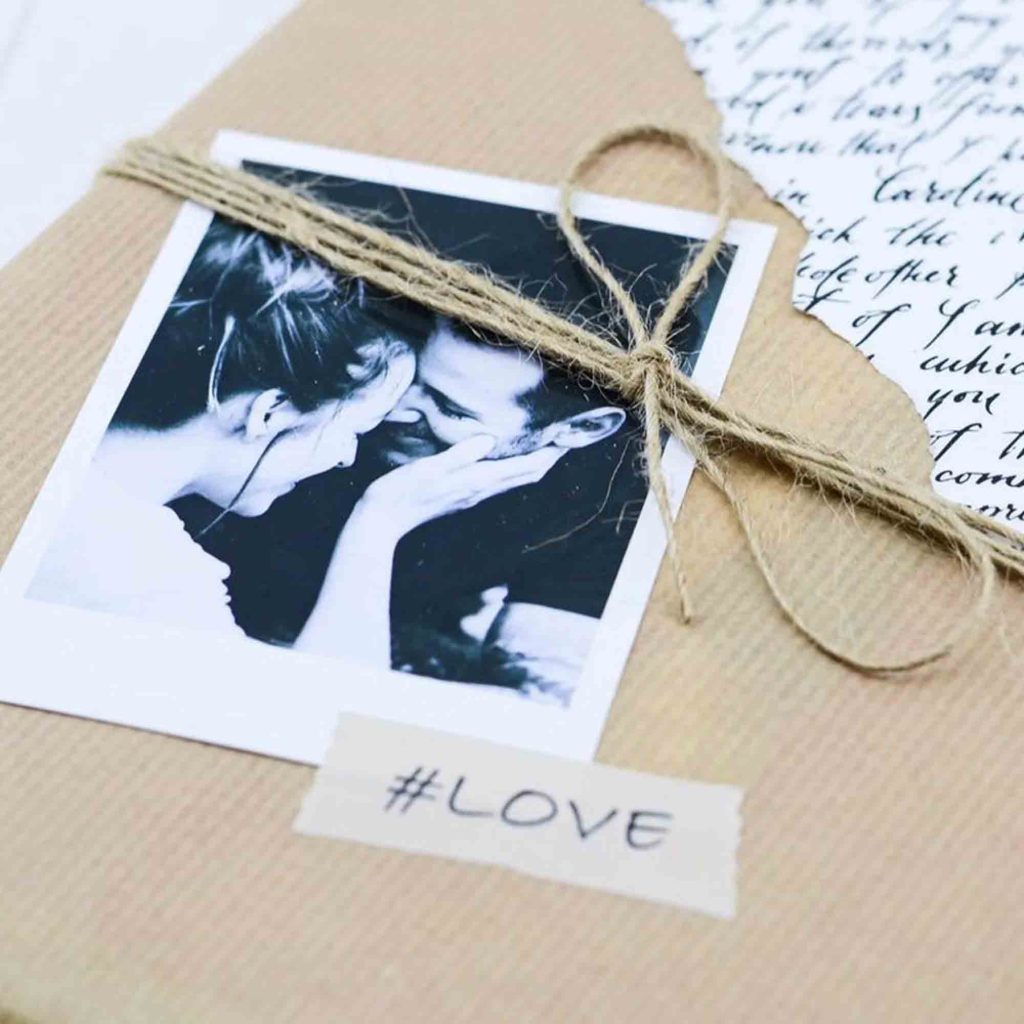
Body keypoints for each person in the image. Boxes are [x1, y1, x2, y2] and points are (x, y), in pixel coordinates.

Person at [30, 226, 560, 656]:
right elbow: (321, 719)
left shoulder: (49, 465)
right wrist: (378, 525)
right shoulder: (147, 578)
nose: (348, 457)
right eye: (352, 430)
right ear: (269, 412)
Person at [187, 313, 633, 702]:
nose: (394, 410)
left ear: (582, 429)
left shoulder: (610, 492)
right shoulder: (325, 373)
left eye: (449, 409)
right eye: (411, 376)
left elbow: (541, 695)